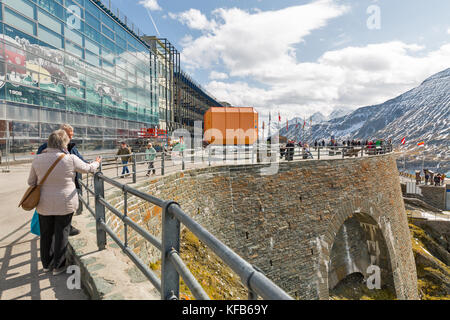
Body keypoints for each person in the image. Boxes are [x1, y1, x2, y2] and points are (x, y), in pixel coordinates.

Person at [28, 130, 101, 275]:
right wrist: (97, 162)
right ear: (63, 143)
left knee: (46, 234)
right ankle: (58, 266)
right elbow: (89, 168)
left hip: (44, 203)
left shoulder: (37, 159)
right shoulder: (70, 158)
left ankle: (46, 264)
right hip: (65, 202)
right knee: (62, 232)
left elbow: (31, 182)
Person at [37, 124, 85, 236]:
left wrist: (92, 164)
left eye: (71, 135)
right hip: (49, 188)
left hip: (66, 186)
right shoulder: (44, 148)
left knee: (64, 214)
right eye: (69, 135)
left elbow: (82, 161)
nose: (71, 138)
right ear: (60, 134)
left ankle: (66, 228)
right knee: (53, 222)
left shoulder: (72, 147)